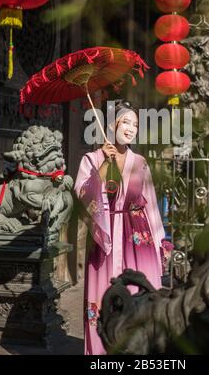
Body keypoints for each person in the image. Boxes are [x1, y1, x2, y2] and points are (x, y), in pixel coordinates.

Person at [74, 100, 168, 355]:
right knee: (102, 300)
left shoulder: (140, 162)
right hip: (104, 239)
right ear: (111, 124)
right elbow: (82, 194)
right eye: (126, 121)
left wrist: (162, 242)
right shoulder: (91, 159)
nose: (131, 128)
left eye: (135, 124)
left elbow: (151, 207)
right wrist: (105, 163)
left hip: (138, 239)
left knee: (139, 296)